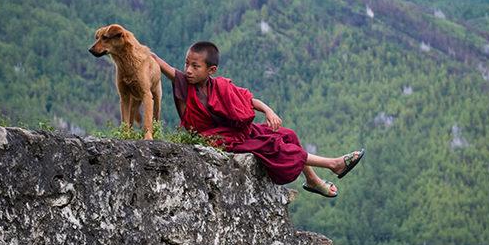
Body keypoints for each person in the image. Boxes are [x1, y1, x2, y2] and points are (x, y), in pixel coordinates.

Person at [153, 41, 364, 197]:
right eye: (187, 64)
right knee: (274, 144)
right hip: (215, 138)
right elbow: (161, 64)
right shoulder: (183, 82)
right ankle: (333, 164)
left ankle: (312, 180)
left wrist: (269, 111)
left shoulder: (220, 86)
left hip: (234, 132)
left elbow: (248, 100)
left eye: (195, 66)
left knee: (287, 135)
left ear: (211, 70)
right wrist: (140, 50)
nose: (188, 70)